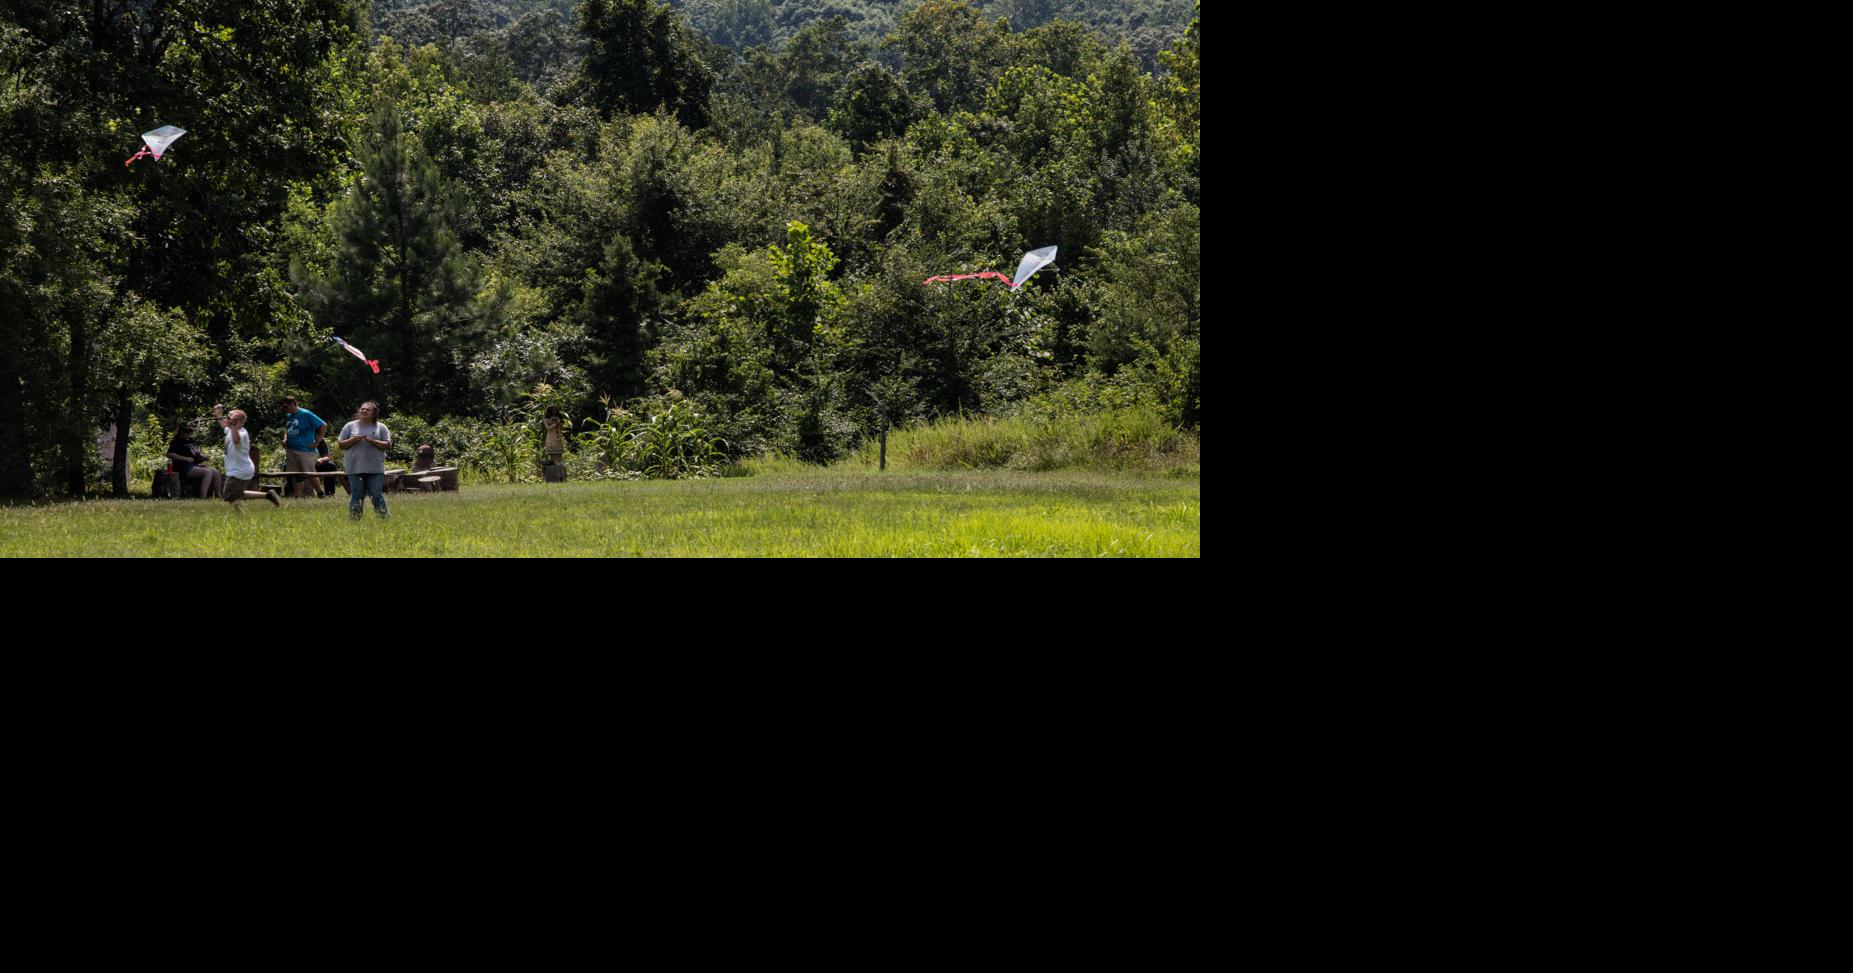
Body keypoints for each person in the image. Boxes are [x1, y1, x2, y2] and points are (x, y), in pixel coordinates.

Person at [215, 404, 280, 509]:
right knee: (237, 494)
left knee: (229, 496)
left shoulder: (242, 433)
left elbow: (236, 441)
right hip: (240, 469)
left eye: (229, 417)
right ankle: (268, 496)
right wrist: (219, 414)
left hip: (240, 470)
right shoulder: (232, 430)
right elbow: (224, 425)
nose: (227, 419)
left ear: (238, 421)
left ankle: (240, 514)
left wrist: (233, 426)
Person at [338, 400, 391, 520]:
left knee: (376, 495)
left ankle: (384, 519)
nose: (364, 410)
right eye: (363, 408)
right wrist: (353, 440)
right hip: (355, 468)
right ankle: (355, 521)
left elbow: (387, 445)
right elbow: (341, 445)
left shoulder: (381, 427)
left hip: (375, 469)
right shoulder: (350, 426)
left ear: (374, 414)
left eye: (368, 409)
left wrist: (373, 441)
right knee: (357, 496)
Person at [282, 396, 329, 498]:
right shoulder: (289, 416)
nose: (286, 409)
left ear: (294, 403)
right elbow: (288, 429)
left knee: (309, 473)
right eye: (284, 407)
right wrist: (285, 438)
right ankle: (297, 496)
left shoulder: (305, 414)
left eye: (287, 406)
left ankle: (320, 493)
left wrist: (318, 441)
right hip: (291, 450)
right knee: (296, 475)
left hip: (305, 450)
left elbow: (323, 425)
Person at [166, 423, 221, 498]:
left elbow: (196, 453)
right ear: (180, 432)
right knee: (208, 472)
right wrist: (185, 458)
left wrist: (203, 456)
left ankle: (219, 496)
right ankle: (203, 497)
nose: (188, 433)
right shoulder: (177, 442)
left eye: (190, 431)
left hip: (194, 465)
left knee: (215, 472)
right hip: (183, 467)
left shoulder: (191, 441)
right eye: (186, 431)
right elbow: (169, 454)